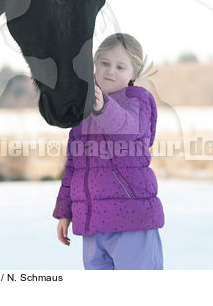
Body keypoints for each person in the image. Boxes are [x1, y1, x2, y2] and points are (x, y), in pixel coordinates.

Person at [52, 33, 165, 270]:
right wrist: (65, 212)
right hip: (92, 224)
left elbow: (129, 127)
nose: (110, 71)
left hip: (131, 221)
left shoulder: (137, 99)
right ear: (94, 65)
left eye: (120, 66)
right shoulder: (83, 111)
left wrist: (103, 106)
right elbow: (73, 167)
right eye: (105, 63)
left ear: (133, 74)